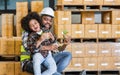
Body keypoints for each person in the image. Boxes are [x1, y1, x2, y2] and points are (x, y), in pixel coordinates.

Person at [20, 7, 72, 75]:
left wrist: (64, 44)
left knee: (67, 55)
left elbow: (56, 49)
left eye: (50, 21)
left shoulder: (46, 31)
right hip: (30, 61)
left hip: (45, 57)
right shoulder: (29, 31)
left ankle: (54, 73)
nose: (48, 22)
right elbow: (30, 49)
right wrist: (46, 46)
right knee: (52, 71)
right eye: (45, 19)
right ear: (40, 19)